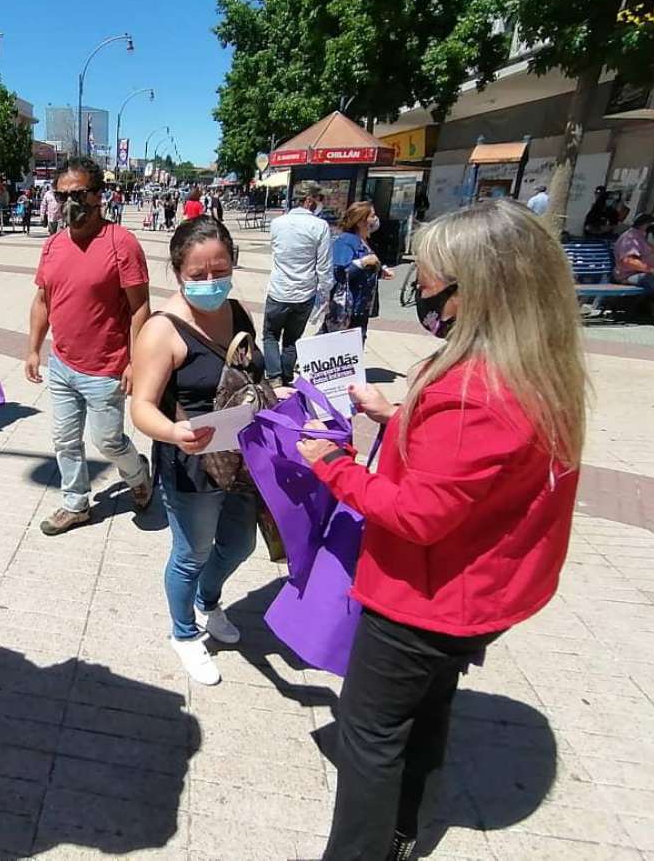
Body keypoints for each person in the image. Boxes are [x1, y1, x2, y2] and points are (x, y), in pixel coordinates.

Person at [297, 199, 588, 860]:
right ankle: (404, 834)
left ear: (478, 290)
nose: (419, 292)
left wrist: (332, 465)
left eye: (428, 283)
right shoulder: (536, 368)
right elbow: (470, 473)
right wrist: (397, 416)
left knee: (369, 737)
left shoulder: (475, 392)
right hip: (476, 594)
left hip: (427, 600)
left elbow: (419, 515)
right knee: (426, 711)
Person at [130, 216, 264, 685]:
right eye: (198, 275)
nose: (211, 282)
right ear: (177, 271)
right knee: (192, 552)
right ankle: (184, 634)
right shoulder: (161, 330)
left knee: (241, 544)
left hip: (245, 456)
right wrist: (172, 433)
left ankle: (209, 602)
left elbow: (253, 376)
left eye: (220, 270)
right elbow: (141, 407)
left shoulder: (239, 312)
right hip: (192, 463)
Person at [25, 156, 154, 535]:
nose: (70, 204)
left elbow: (140, 306)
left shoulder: (121, 243)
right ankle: (75, 503)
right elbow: (43, 300)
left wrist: (135, 361)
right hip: (62, 364)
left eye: (79, 194)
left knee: (109, 441)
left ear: (100, 196)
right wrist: (34, 348)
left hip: (106, 368)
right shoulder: (52, 245)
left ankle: (138, 474)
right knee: (65, 440)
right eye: (61, 195)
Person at [263, 181, 333, 387]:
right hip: (304, 293)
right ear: (309, 200)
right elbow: (324, 265)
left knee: (270, 335)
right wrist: (325, 293)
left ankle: (274, 376)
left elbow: (276, 251)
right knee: (292, 339)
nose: (322, 204)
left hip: (278, 290)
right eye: (320, 199)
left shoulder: (278, 223)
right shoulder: (320, 226)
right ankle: (285, 377)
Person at [323, 201, 394, 339]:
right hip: (347, 309)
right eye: (372, 216)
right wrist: (363, 262)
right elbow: (341, 271)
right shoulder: (346, 241)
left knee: (354, 346)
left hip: (361, 307)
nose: (375, 220)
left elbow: (365, 269)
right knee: (341, 348)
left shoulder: (363, 241)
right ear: (361, 221)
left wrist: (380, 271)